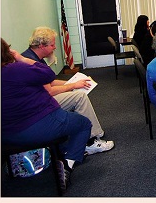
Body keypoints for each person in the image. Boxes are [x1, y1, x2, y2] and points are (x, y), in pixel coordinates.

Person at [1, 38, 92, 190]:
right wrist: (22, 59)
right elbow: (48, 74)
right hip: (39, 125)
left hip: (6, 135)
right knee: (83, 124)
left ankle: (62, 152)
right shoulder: (15, 69)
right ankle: (67, 165)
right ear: (6, 52)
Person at [21, 27, 114, 155]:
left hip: (38, 99)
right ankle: (91, 140)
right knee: (79, 97)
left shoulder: (32, 56)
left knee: (75, 92)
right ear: (42, 45)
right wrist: (73, 85)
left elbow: (51, 81)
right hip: (37, 106)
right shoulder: (31, 62)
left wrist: (74, 83)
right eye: (52, 45)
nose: (54, 48)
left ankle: (92, 133)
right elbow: (50, 91)